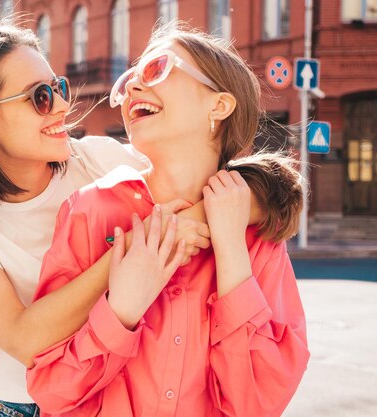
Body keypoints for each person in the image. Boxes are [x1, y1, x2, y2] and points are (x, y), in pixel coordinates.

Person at [0, 24, 213, 417]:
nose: (60, 106)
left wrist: (262, 194)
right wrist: (130, 256)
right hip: (25, 406)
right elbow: (24, 339)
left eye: (58, 88)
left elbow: (221, 199)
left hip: (115, 395)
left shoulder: (99, 161)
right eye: (38, 97)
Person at [27, 24, 310, 417]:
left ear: (219, 105)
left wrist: (229, 247)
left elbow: (256, 404)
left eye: (157, 68)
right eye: (128, 81)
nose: (131, 90)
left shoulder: (255, 234)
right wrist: (122, 308)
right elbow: (52, 390)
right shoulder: (90, 210)